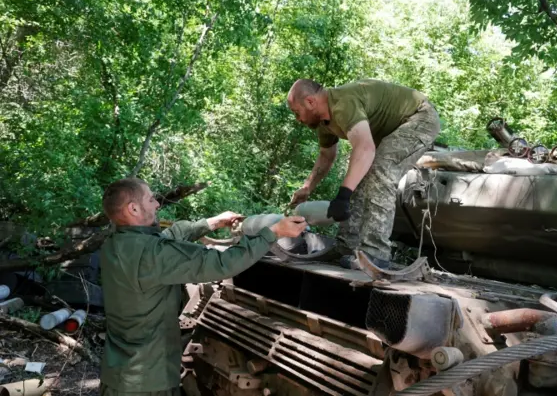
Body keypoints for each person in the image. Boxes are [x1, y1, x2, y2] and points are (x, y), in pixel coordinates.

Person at [98, 177, 307, 396]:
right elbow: (222, 263)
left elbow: (166, 239)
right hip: (146, 383)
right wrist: (272, 233)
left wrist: (212, 223)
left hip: (118, 376)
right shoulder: (152, 255)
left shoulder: (116, 244)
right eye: (150, 199)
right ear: (133, 208)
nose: (157, 204)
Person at [287, 78, 440, 269]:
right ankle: (346, 247)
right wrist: (307, 188)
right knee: (357, 175)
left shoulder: (343, 103)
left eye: (297, 112)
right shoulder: (324, 122)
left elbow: (365, 148)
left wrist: (343, 196)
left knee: (380, 169)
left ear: (310, 102)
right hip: (391, 131)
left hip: (420, 118)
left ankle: (376, 253)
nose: (298, 119)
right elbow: (326, 156)